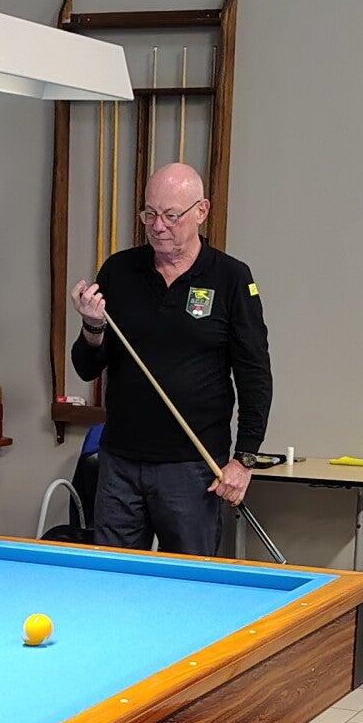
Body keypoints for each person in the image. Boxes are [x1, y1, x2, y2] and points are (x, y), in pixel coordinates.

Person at [68, 162, 272, 555]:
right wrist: (92, 327)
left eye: (171, 215)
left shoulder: (231, 278)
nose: (158, 226)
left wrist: (244, 460)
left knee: (189, 581)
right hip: (120, 462)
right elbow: (86, 366)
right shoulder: (119, 271)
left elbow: (255, 376)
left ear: (201, 211)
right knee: (113, 578)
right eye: (150, 213)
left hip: (192, 467)